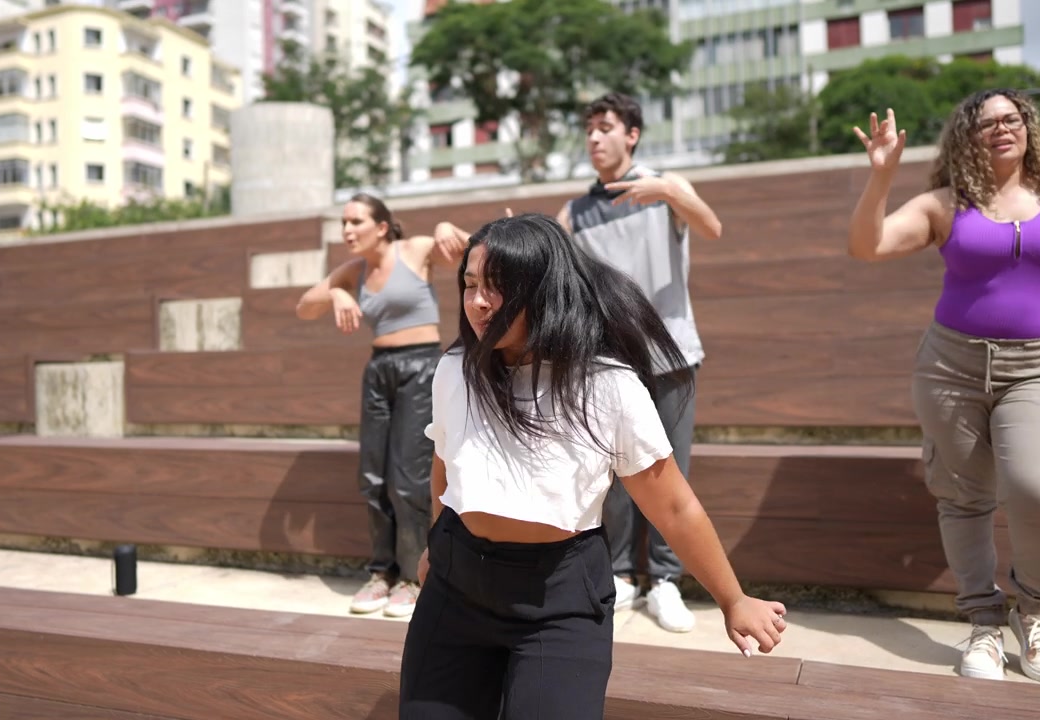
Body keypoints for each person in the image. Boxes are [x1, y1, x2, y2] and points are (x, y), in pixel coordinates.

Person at [400, 212, 787, 718]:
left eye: (497, 286)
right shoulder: (455, 369)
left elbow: (673, 506)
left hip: (558, 600)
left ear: (542, 290)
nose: (478, 301)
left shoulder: (606, 385)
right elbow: (446, 465)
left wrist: (733, 600)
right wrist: (436, 543)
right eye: (470, 284)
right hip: (456, 586)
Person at [848, 89, 1040, 684]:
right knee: (964, 496)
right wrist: (882, 176)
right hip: (952, 367)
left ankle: (1035, 613)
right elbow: (867, 246)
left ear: (1028, 126)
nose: (1001, 128)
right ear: (966, 137)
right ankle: (983, 624)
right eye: (987, 122)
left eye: (1011, 118)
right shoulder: (946, 204)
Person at [561, 92, 723, 632]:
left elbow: (713, 228)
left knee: (671, 472)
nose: (594, 137)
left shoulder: (666, 187)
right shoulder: (575, 212)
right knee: (615, 474)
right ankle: (623, 575)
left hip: (671, 354)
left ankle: (666, 580)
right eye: (589, 128)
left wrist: (669, 191)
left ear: (631, 135)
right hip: (606, 364)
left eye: (605, 127)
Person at [296, 192, 468, 618]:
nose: (347, 230)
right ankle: (381, 573)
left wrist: (447, 228)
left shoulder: (415, 250)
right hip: (379, 370)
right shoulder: (354, 270)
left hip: (421, 366)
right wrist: (337, 293)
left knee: (408, 479)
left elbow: (476, 253)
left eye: (356, 221)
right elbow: (304, 308)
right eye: (344, 222)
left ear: (382, 227)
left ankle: (413, 576)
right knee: (372, 478)